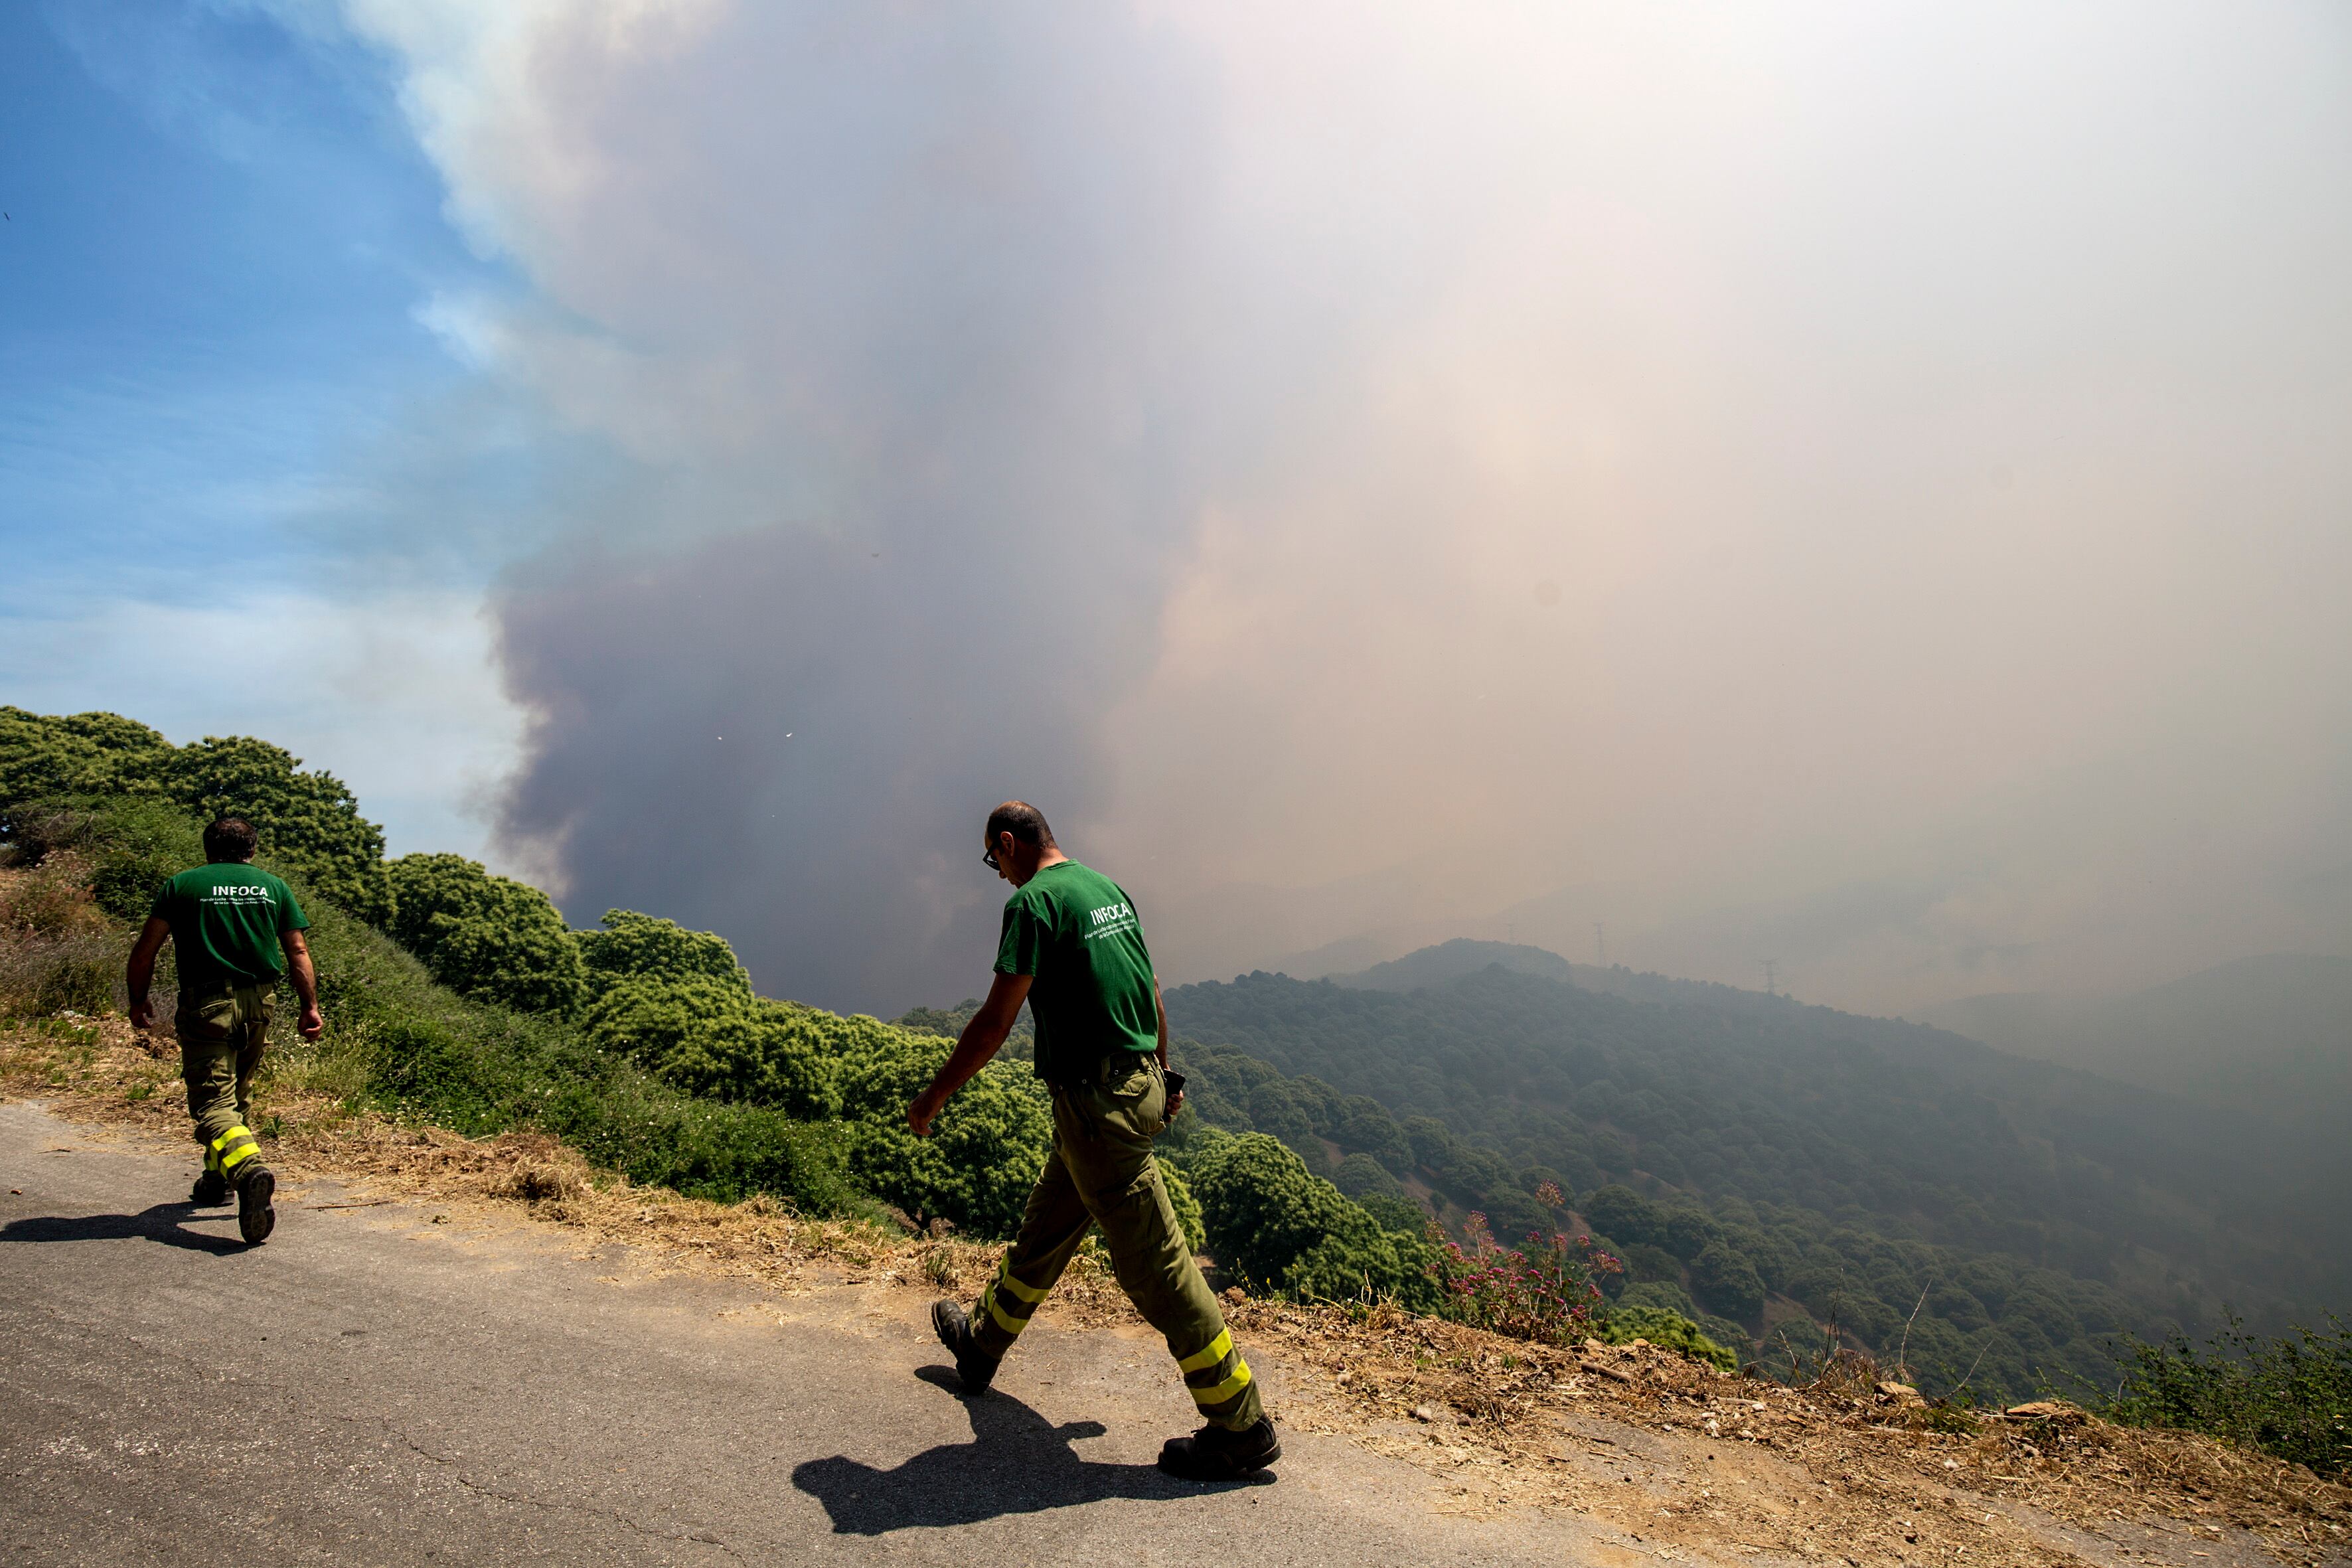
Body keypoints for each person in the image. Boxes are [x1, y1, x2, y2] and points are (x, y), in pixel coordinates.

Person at [910, 801, 1281, 1481]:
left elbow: (995, 1022)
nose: (999, 876)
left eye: (996, 863)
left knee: (1159, 1265)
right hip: (1132, 1086)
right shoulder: (1105, 889)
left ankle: (1240, 1423)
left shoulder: (1035, 905)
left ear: (1007, 844)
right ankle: (981, 1348)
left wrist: (934, 1095)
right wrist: (1163, 1072)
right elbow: (1152, 990)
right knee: (1048, 1225)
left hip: (1095, 1105)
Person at [126, 816, 323, 1245]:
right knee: (237, 1094)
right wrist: (309, 1007)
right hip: (260, 1002)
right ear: (252, 850)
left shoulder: (182, 885)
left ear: (207, 849)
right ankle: (215, 1181)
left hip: (207, 1005)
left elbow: (146, 950)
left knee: (212, 1103)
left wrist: (138, 999)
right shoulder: (273, 887)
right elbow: (298, 950)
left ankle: (248, 1169)